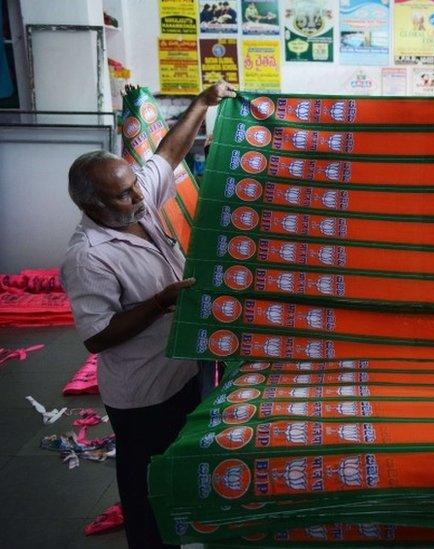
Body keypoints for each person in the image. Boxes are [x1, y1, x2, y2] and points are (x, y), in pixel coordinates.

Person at [61, 80, 236, 548]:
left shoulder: (140, 205)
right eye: (121, 195)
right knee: (145, 484)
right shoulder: (89, 257)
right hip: (143, 392)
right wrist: (161, 302)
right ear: (90, 205)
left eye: (133, 185)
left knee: (181, 465)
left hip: (184, 371)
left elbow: (167, 156)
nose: (136, 196)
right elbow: (96, 337)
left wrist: (202, 103)